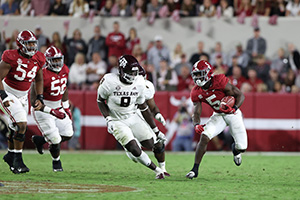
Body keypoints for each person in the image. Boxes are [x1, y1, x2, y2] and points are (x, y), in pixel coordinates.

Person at [97, 55, 167, 179]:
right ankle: (156, 170)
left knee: (151, 143)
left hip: (133, 116)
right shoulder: (109, 81)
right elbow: (100, 100)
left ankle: (158, 166)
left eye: (135, 72)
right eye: (130, 72)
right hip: (117, 119)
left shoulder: (140, 82)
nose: (133, 75)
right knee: (135, 149)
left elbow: (144, 107)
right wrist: (108, 119)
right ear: (121, 70)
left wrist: (156, 130)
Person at [186, 60, 247, 179]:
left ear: (208, 73)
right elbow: (196, 111)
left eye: (200, 74)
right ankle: (194, 169)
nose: (198, 77)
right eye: (196, 74)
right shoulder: (196, 91)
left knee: (242, 147)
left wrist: (233, 108)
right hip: (218, 115)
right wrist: (196, 124)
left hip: (232, 114)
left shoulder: (219, 81)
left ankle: (236, 149)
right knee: (204, 136)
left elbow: (240, 95)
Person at [0, 30, 45, 174]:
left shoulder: (39, 58)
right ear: (20, 44)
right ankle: (18, 161)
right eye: (28, 44)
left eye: (33, 43)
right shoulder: (11, 56)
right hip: (8, 92)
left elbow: (38, 79)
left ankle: (11, 155)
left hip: (23, 96)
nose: (32, 47)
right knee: (21, 124)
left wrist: (39, 97)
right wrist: (3, 95)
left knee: (15, 127)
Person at [31, 46, 73, 172]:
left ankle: (41, 140)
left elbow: (64, 89)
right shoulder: (41, 74)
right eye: (54, 60)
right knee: (55, 139)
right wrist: (52, 111)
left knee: (68, 134)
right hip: (43, 110)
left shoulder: (65, 69)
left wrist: (66, 108)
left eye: (59, 59)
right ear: (48, 61)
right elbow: (34, 102)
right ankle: (56, 161)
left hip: (58, 106)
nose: (57, 63)